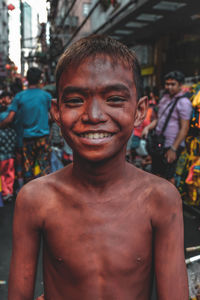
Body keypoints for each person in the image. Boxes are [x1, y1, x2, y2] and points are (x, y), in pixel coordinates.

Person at [8, 35, 188, 300]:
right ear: (56, 112)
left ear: (140, 111)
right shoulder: (35, 199)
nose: (93, 115)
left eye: (114, 99)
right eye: (75, 101)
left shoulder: (160, 198)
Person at [0, 67, 52, 183]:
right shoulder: (46, 96)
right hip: (43, 138)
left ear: (27, 79)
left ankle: (29, 195)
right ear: (39, 80)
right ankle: (45, 196)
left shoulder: (20, 96)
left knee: (27, 169)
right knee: (44, 168)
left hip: (27, 138)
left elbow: (9, 119)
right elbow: (52, 116)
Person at [143, 71, 192, 184]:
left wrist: (173, 149)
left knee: (169, 177)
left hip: (171, 145)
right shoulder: (165, 98)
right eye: (167, 84)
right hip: (160, 143)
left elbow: (184, 128)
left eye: (172, 84)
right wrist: (148, 128)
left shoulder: (184, 103)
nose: (169, 87)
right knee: (156, 173)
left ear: (180, 85)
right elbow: (158, 119)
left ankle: (170, 200)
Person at [0, 92, 16, 202]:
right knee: (10, 172)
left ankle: (5, 192)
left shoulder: (2, 116)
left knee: (1, 174)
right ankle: (9, 191)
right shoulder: (13, 131)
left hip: (2, 155)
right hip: (11, 153)